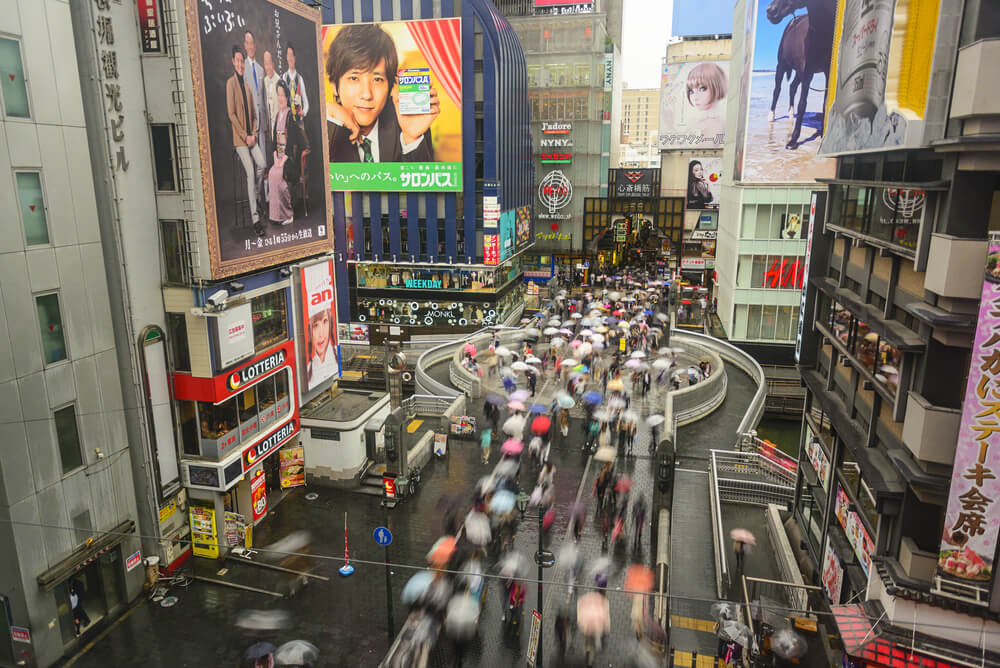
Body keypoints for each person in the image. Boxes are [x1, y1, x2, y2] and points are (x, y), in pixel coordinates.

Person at [325, 23, 438, 163]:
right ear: (335, 86)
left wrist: (411, 139)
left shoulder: (407, 122)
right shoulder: (324, 128)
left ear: (390, 87)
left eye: (377, 79)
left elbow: (425, 183)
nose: (366, 94)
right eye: (354, 78)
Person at [226, 45, 266, 233]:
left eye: (243, 61)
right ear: (233, 62)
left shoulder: (248, 87)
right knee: (251, 172)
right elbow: (231, 114)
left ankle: (256, 196)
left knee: (262, 164)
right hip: (240, 141)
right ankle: (255, 219)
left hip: (252, 138)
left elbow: (255, 116)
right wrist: (245, 135)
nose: (241, 64)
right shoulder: (230, 84)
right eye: (238, 61)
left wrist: (254, 133)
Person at [267, 80, 304, 226]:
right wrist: (276, 158)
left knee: (278, 174)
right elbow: (273, 141)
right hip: (279, 156)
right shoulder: (277, 116)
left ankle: (288, 214)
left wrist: (282, 161)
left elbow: (292, 142)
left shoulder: (290, 116)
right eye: (278, 95)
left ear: (287, 97)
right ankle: (277, 216)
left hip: (289, 158)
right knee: (271, 173)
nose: (280, 98)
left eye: (283, 95)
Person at [686, 61, 727, 140]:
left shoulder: (717, 124)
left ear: (718, 86)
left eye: (702, 89)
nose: (695, 97)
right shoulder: (694, 121)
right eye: (691, 91)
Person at [281, 43, 311, 149]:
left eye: (291, 55)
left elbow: (306, 102)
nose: (290, 58)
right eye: (288, 55)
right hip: (288, 121)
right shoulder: (284, 77)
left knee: (306, 147)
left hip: (299, 120)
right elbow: (282, 100)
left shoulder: (300, 78)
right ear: (286, 57)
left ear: (294, 57)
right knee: (290, 150)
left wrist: (304, 112)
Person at [243, 31, 267, 154]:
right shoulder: (242, 68)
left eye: (252, 43)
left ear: (255, 46)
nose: (251, 46)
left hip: (261, 121)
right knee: (253, 157)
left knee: (263, 156)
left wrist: (266, 122)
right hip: (250, 122)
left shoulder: (261, 70)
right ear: (245, 46)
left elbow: (263, 97)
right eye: (248, 43)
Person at [307, 301, 337, 388]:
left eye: (325, 321)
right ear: (310, 331)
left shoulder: (337, 357)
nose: (321, 334)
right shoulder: (307, 370)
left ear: (330, 324)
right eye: (315, 325)